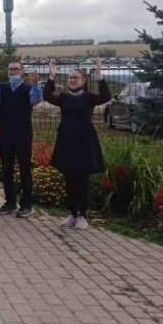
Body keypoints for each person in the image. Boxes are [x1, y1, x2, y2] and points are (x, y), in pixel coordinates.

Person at [44, 58, 111, 230]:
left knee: (82, 180)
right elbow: (47, 96)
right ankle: (72, 213)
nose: (72, 80)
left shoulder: (89, 97)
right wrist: (51, 77)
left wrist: (100, 75)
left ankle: (82, 215)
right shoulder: (64, 98)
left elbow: (106, 96)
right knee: (69, 179)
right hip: (66, 142)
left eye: (76, 77)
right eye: (70, 77)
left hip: (84, 143)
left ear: (83, 80)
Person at [0, 61, 43, 218]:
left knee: (25, 170)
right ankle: (10, 202)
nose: (13, 72)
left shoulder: (28, 89)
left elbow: (35, 100)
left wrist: (35, 84)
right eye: (10, 69)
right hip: (6, 134)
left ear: (22, 72)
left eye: (16, 69)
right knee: (7, 170)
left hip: (23, 134)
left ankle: (26, 205)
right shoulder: (2, 88)